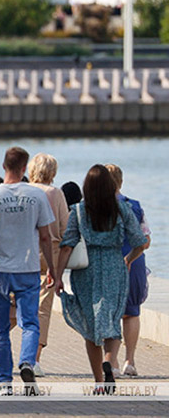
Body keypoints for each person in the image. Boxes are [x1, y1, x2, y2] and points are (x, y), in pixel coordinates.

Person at [0, 147, 56, 393]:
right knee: (30, 323)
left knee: (0, 327)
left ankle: (5, 382)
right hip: (28, 268)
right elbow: (46, 237)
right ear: (24, 168)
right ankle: (27, 361)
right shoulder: (37, 196)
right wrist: (52, 269)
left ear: (4, 166)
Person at [55, 165, 147, 393]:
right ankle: (109, 359)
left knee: (90, 325)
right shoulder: (122, 209)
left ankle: (98, 381)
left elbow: (67, 246)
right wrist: (128, 259)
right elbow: (140, 241)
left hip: (87, 270)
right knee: (113, 318)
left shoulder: (78, 211)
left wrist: (57, 276)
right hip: (115, 265)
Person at [103, 164, 151, 378]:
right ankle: (129, 361)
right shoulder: (135, 206)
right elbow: (146, 240)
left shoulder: (95, 208)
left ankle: (111, 362)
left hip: (107, 265)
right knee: (131, 313)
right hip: (134, 263)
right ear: (120, 182)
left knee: (109, 314)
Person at [27, 153, 70, 377]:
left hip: (25, 252)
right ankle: (34, 359)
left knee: (19, 299)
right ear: (52, 172)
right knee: (42, 308)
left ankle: (4, 325)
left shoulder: (23, 191)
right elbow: (65, 227)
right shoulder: (56, 193)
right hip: (50, 253)